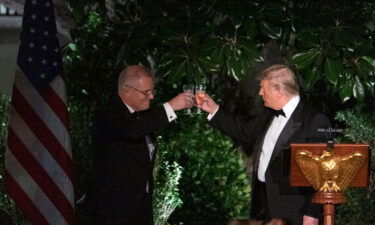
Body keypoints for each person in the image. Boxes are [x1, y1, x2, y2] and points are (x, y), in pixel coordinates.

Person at [200, 64, 331, 225]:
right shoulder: (269, 112)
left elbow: (325, 174)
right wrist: (213, 109)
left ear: (279, 91)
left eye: (263, 88)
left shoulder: (314, 120)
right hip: (262, 200)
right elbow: (244, 131)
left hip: (293, 209)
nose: (260, 92)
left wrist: (312, 213)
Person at [85, 65, 195, 225]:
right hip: (112, 209)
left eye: (152, 91)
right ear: (127, 90)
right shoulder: (108, 113)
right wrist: (170, 106)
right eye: (146, 92)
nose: (151, 96)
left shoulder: (142, 117)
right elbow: (133, 129)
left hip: (140, 205)